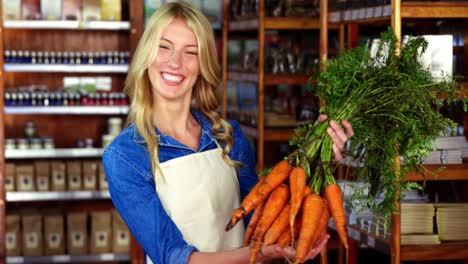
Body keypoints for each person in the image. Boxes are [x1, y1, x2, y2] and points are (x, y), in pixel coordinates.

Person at [102, 2, 354, 264]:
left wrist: (318, 158)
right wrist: (261, 253)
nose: (175, 62)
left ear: (203, 65)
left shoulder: (228, 137)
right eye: (164, 47)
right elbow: (172, 255)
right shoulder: (125, 156)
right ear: (146, 55)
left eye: (191, 52)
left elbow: (260, 221)